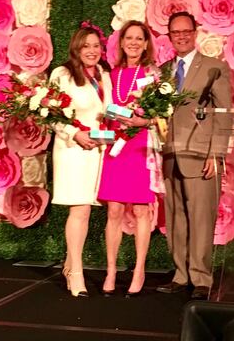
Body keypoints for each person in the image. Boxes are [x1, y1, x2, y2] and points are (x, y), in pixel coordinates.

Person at [156, 11, 232, 300]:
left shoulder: (214, 67)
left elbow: (223, 113)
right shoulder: (163, 71)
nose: (182, 36)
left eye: (186, 31)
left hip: (201, 155)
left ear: (195, 31)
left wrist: (217, 154)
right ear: (170, 36)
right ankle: (180, 274)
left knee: (201, 217)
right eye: (176, 33)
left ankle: (201, 277)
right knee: (176, 217)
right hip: (171, 154)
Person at [50, 23, 112, 297]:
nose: (91, 51)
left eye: (96, 46)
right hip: (72, 151)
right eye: (86, 46)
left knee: (88, 210)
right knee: (80, 211)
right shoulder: (62, 74)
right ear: (76, 48)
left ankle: (69, 264)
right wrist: (75, 133)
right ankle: (76, 274)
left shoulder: (104, 74)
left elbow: (109, 111)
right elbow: (51, 114)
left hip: (97, 150)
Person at [97, 20, 158, 298]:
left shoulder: (153, 75)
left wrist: (141, 120)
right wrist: (116, 117)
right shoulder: (110, 75)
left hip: (140, 146)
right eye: (128, 38)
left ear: (146, 44)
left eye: (139, 38)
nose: (133, 43)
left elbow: (159, 115)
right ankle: (111, 270)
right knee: (114, 211)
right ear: (121, 43)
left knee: (142, 210)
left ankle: (139, 270)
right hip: (116, 145)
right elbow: (102, 110)